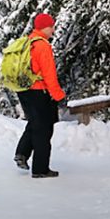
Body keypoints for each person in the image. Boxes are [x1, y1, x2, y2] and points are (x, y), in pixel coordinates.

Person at [13, 13, 65, 178]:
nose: (53, 30)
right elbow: (49, 75)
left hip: (24, 90)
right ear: (45, 27)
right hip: (39, 91)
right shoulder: (43, 46)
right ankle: (40, 169)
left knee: (36, 123)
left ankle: (22, 152)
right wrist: (58, 96)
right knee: (44, 129)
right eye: (52, 27)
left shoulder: (27, 42)